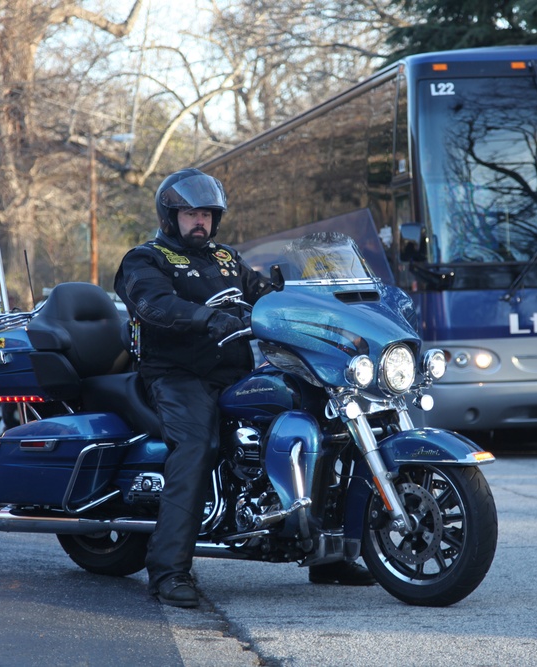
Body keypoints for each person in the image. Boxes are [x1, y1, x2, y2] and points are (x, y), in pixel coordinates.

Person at [115, 168, 373, 608]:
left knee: (323, 422)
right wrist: (207, 318)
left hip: (235, 373)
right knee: (198, 445)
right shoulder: (146, 259)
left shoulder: (226, 260)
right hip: (178, 375)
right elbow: (152, 304)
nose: (200, 222)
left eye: (207, 215)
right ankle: (168, 571)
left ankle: (327, 554)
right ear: (169, 216)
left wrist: (314, 306)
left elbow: (267, 294)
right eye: (191, 214)